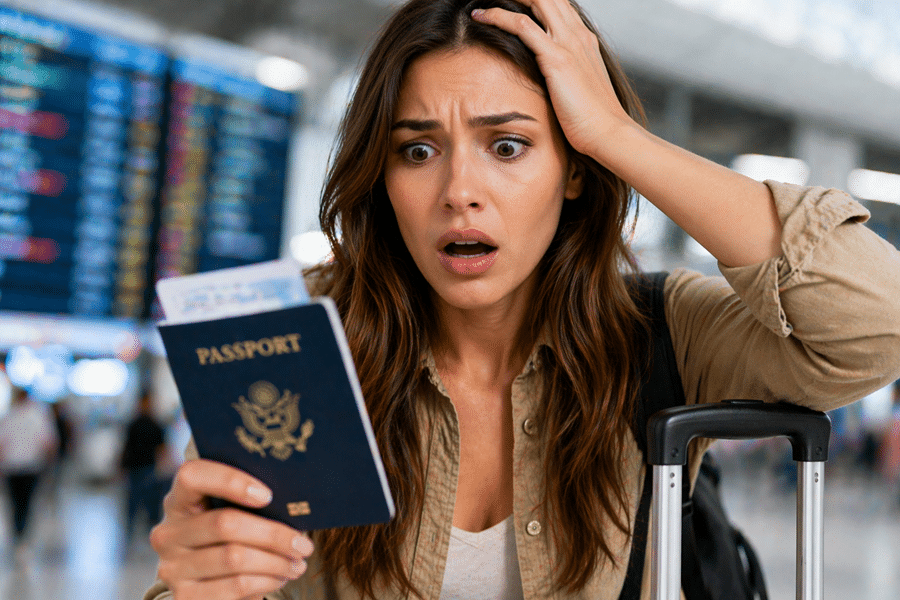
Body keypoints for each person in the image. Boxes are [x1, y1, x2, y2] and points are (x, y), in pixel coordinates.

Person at [144, 1, 900, 598]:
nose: (459, 193)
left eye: (507, 145)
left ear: (576, 169)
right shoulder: (299, 341)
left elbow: (875, 322)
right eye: (417, 150)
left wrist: (615, 135)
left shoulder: (659, 332)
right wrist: (200, 585)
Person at [0, 386, 59, 559]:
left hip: (12, 467)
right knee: (26, 503)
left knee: (14, 503)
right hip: (31, 467)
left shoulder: (10, 416)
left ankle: (18, 535)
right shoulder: (38, 416)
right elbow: (49, 442)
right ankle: (22, 537)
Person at [121, 391, 170, 549]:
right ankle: (129, 535)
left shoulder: (155, 424)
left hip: (149, 468)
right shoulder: (134, 424)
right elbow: (126, 447)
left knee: (151, 503)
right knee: (133, 503)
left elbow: (162, 448)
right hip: (135, 468)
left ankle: (152, 536)